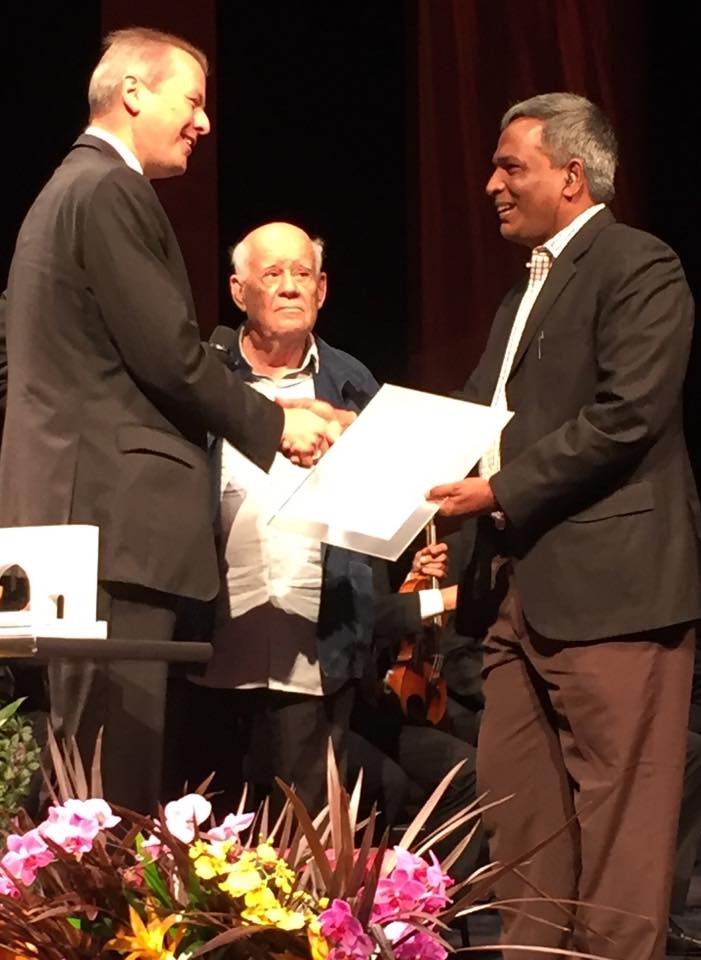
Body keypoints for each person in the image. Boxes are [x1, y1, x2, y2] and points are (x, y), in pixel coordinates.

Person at [0, 29, 339, 814]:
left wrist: (273, 406)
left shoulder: (66, 193)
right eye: (192, 100)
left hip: (78, 516)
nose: (204, 121)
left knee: (82, 777)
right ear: (132, 95)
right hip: (111, 525)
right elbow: (166, 355)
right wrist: (275, 427)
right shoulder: (109, 191)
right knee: (106, 789)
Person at [428, 93, 700, 959]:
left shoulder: (637, 264)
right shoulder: (520, 299)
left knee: (621, 827)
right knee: (520, 820)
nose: (490, 185)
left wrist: (498, 492)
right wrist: (372, 453)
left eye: (511, 167)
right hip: (515, 595)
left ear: (572, 177)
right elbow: (469, 421)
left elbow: (627, 415)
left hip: (613, 590)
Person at [182, 221, 458, 816]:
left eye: (301, 274)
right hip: (207, 645)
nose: (288, 287)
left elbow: (400, 495)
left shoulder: (353, 382)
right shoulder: (201, 376)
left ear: (322, 290)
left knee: (301, 843)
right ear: (238, 291)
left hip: (318, 652)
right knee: (198, 833)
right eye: (272, 274)